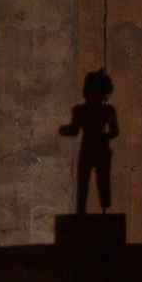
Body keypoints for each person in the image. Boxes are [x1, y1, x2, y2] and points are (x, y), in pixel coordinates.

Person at [59, 68, 119, 214]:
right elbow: (114, 132)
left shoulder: (81, 110)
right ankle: (101, 212)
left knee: (87, 183)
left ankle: (87, 213)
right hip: (100, 149)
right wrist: (104, 136)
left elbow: (74, 130)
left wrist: (62, 130)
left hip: (88, 149)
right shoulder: (107, 110)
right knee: (100, 183)